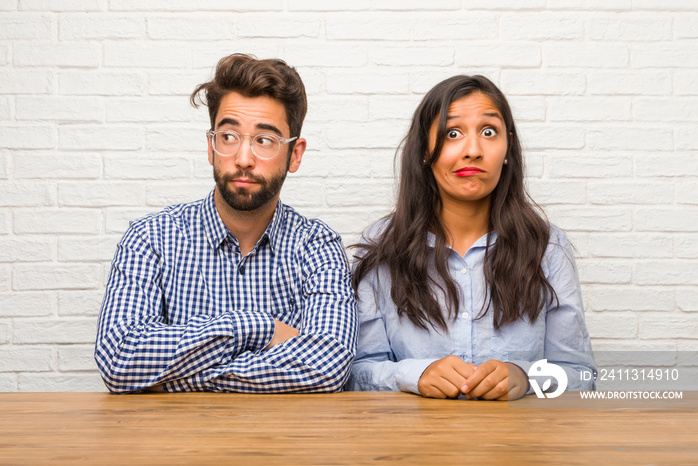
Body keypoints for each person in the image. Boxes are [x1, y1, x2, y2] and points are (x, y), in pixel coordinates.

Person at [95, 54, 357, 393]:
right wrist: (256, 327)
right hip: (173, 444)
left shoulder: (317, 245)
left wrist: (175, 380)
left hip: (287, 444)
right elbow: (119, 358)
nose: (244, 159)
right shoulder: (151, 238)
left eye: (265, 141)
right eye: (229, 136)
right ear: (211, 145)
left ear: (295, 154)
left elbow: (328, 366)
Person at [345, 75, 595, 400]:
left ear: (508, 148)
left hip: (521, 446)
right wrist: (415, 375)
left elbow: (581, 375)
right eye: (452, 134)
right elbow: (355, 374)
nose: (473, 151)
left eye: (488, 132)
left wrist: (526, 378)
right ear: (424, 150)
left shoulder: (548, 248)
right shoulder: (381, 248)